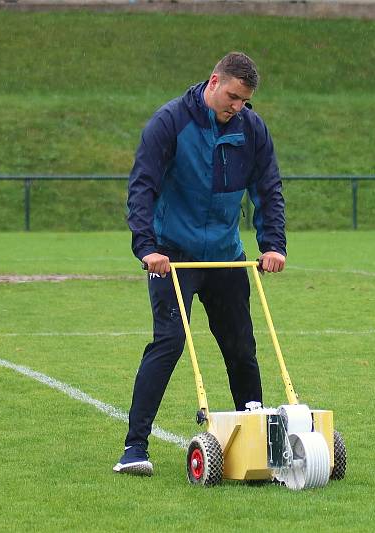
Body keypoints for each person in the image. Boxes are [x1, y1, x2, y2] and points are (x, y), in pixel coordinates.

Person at [114, 52, 286, 476]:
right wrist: (147, 247)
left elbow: (268, 187)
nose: (237, 107)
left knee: (241, 348)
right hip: (174, 257)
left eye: (244, 101)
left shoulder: (252, 128)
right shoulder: (170, 122)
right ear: (213, 82)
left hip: (227, 256)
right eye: (232, 97)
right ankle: (135, 448)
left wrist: (272, 244)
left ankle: (260, 441)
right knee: (169, 342)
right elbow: (143, 186)